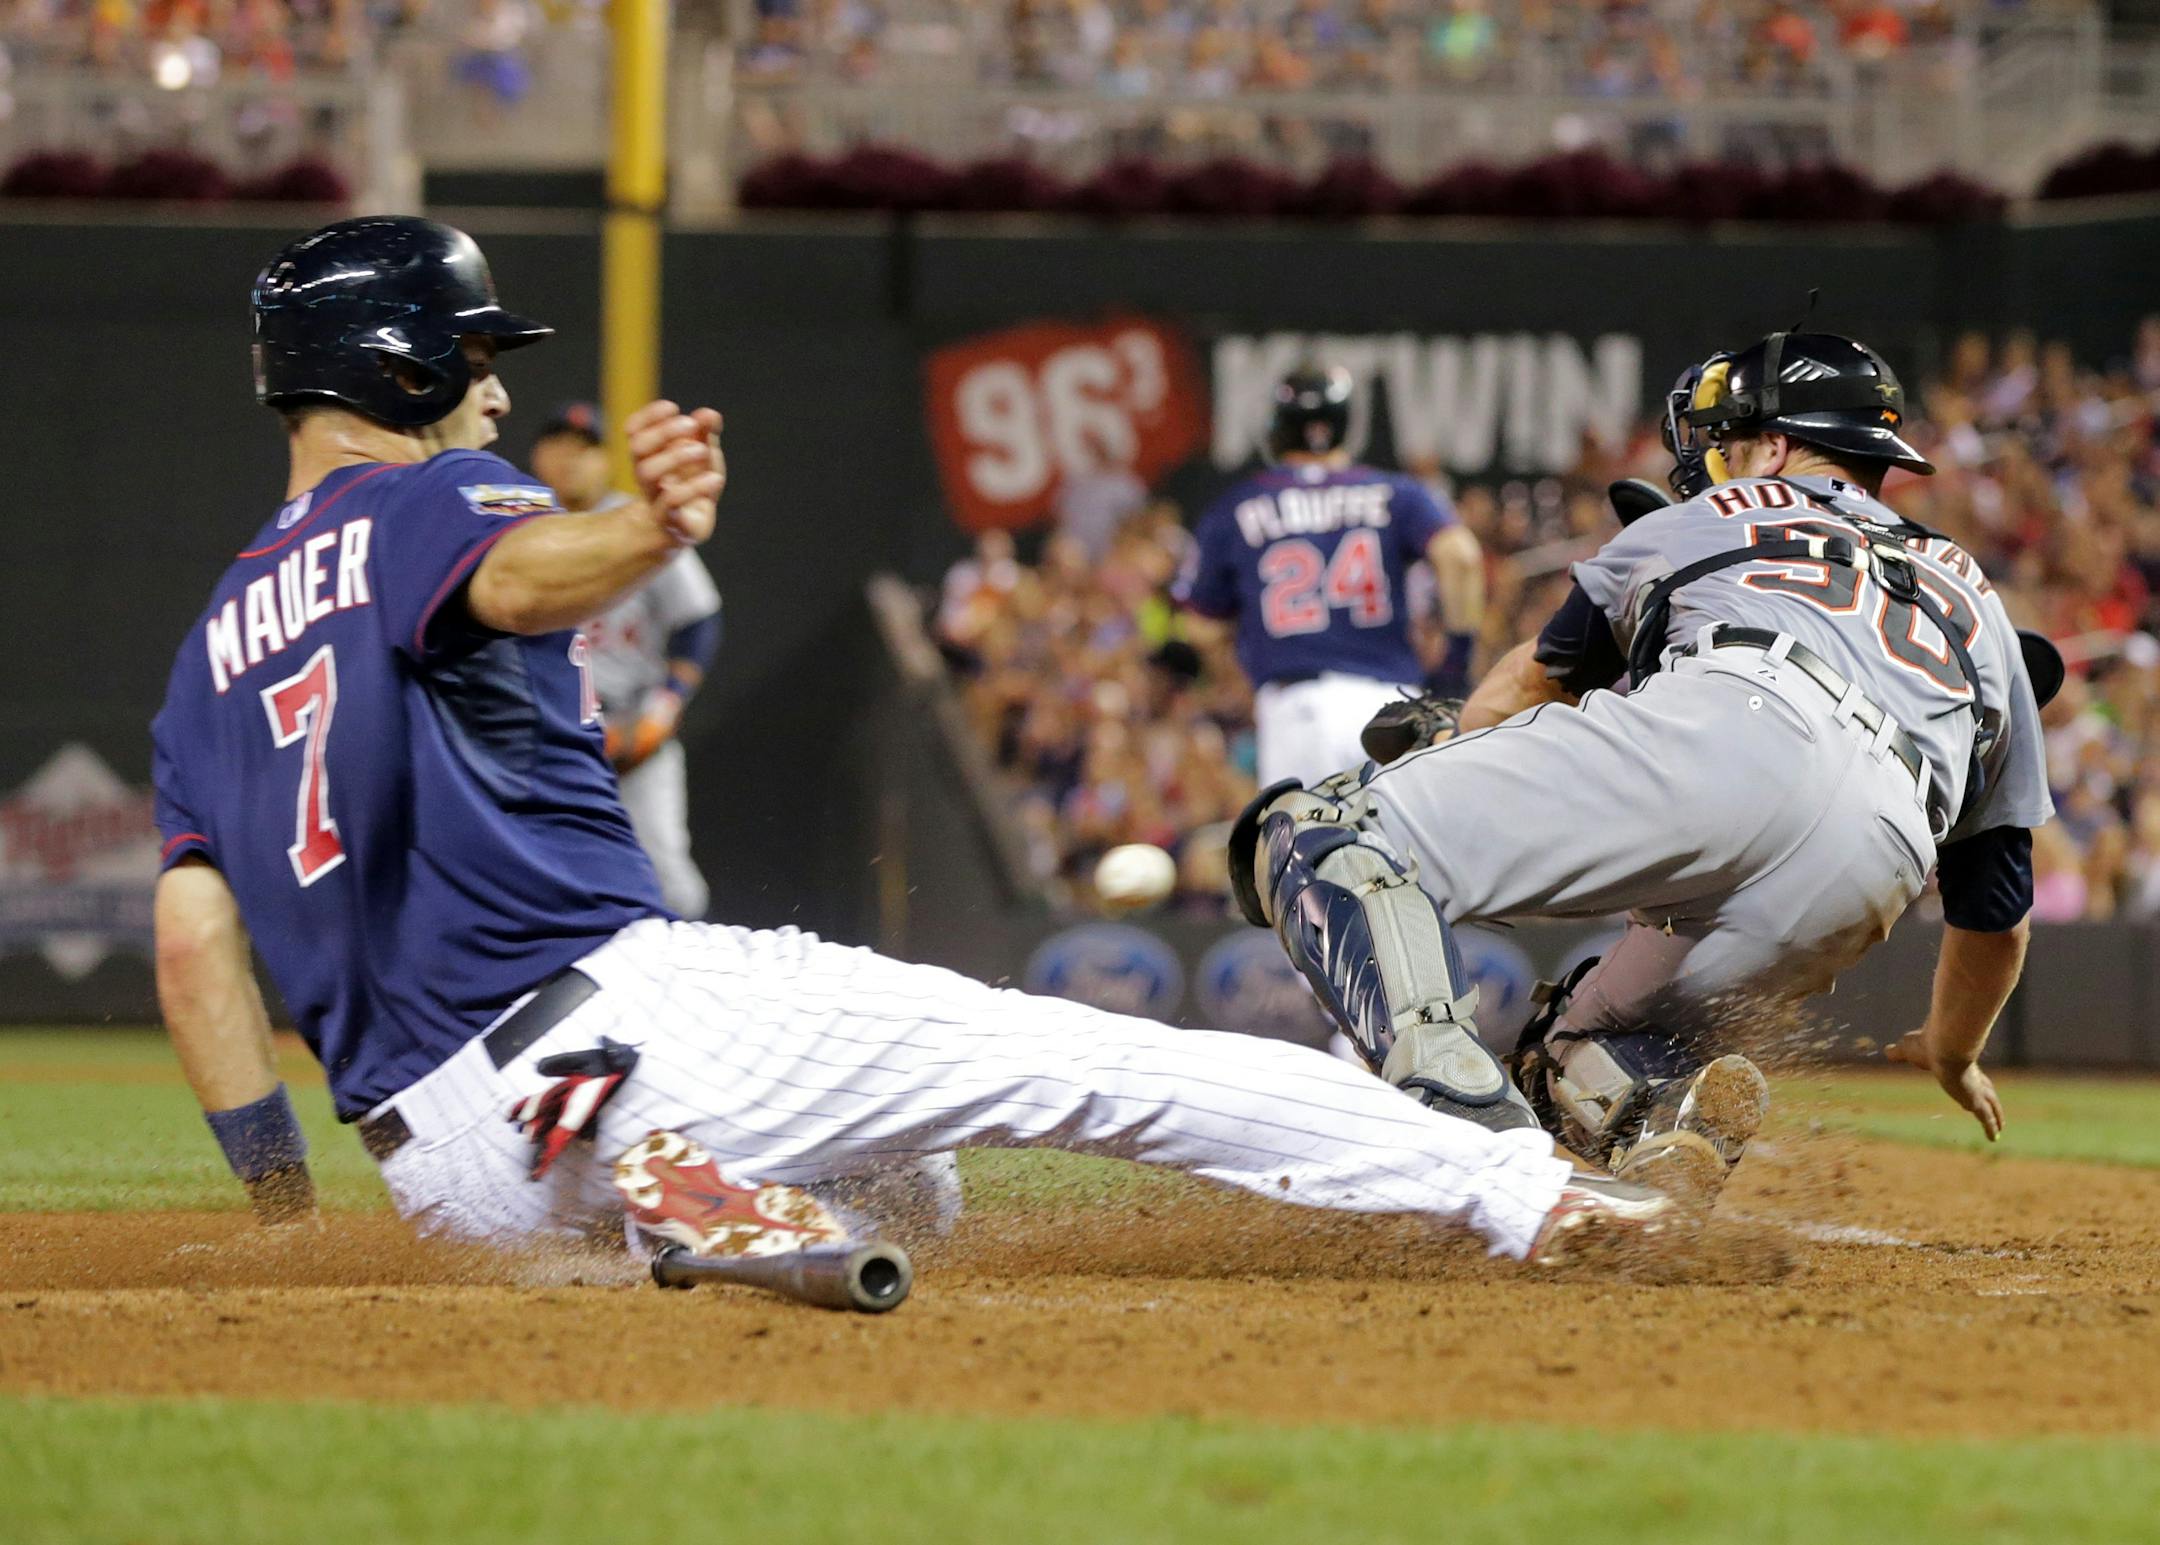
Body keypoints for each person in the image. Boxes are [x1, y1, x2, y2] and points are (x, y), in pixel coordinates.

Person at [149, 215, 1676, 1271]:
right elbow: (513, 572)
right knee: (1081, 1064)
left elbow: (192, 944)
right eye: (474, 353)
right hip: (615, 1030)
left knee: (911, 1190)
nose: (495, 385)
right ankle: (1520, 1189)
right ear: (400, 360)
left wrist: (284, 1207)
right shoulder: (434, 503)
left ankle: (677, 1211)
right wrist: (644, 529)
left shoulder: (206, 653)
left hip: (441, 1170)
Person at [1231, 332, 2055, 1209]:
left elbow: (1527, 684)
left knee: (1319, 832)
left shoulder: (1703, 516)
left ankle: (1454, 1109)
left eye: (1728, 443)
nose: (1716, 463)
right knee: (1584, 1057)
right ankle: (1663, 1119)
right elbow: (1997, 914)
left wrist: (1450, 740)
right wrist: (1953, 1050)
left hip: (1739, 725)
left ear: (1775, 446)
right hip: (1879, 855)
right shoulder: (1981, 605)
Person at [1174, 365, 1486, 789]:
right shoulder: (1395, 492)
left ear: (1278, 426)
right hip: (1396, 708)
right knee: (1405, 849)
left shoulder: (1240, 506)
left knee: (1309, 852)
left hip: (1303, 708)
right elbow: (1462, 557)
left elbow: (1199, 626)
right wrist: (1455, 663)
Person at [530, 403, 720, 919]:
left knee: (670, 888)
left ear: (606, 460)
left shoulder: (638, 523)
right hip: (548, 741)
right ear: (537, 457)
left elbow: (698, 622)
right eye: (559, 448)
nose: (570, 461)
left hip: (630, 732)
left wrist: (663, 708)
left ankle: (684, 988)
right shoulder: (524, 532)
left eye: (585, 450)